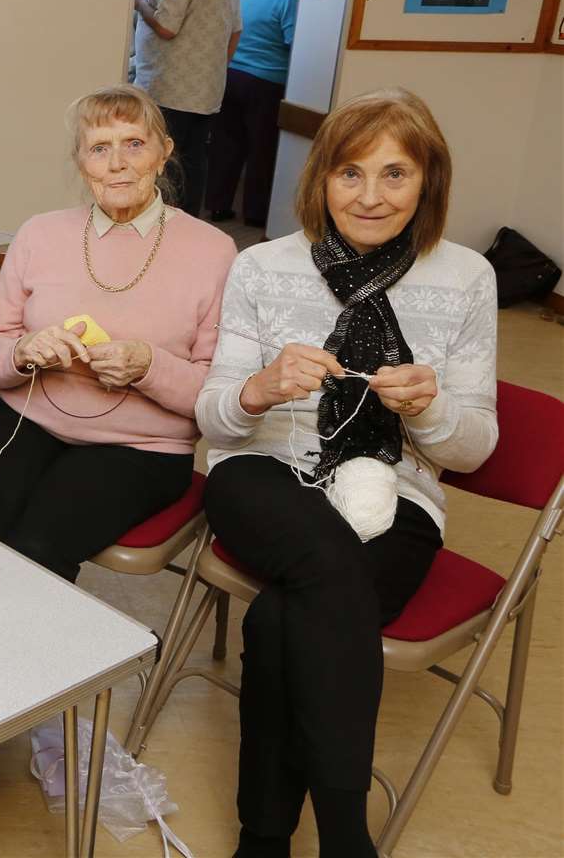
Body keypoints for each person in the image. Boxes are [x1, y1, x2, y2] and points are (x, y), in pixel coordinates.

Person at [196, 88, 496, 858]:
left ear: (428, 181)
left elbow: (473, 449)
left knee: (279, 620)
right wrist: (261, 386)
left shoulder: (466, 277)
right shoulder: (261, 264)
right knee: (330, 578)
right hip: (261, 469)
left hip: (398, 492)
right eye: (350, 173)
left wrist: (427, 409)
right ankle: (344, 837)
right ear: (320, 177)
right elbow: (215, 418)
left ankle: (261, 840)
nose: (370, 197)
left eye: (395, 175)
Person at [0, 84, 237, 581]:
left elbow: (218, 397)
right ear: (81, 162)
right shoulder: (39, 234)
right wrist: (22, 352)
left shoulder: (214, 251)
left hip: (141, 448)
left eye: (134, 144)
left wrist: (149, 367)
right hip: (28, 418)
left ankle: (20, 657)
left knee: (37, 546)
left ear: (164, 152)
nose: (118, 163)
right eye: (100, 148)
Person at [134, 0, 243, 217]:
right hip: (207, 89)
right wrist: (214, 68)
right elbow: (236, 30)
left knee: (163, 163)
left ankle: (159, 231)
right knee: (195, 163)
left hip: (170, 89)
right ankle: (188, 228)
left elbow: (167, 26)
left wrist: (139, 1)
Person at [207, 0, 302, 227]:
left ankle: (217, 205)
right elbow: (293, 40)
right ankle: (256, 214)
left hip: (231, 76)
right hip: (266, 83)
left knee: (226, 145)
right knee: (262, 148)